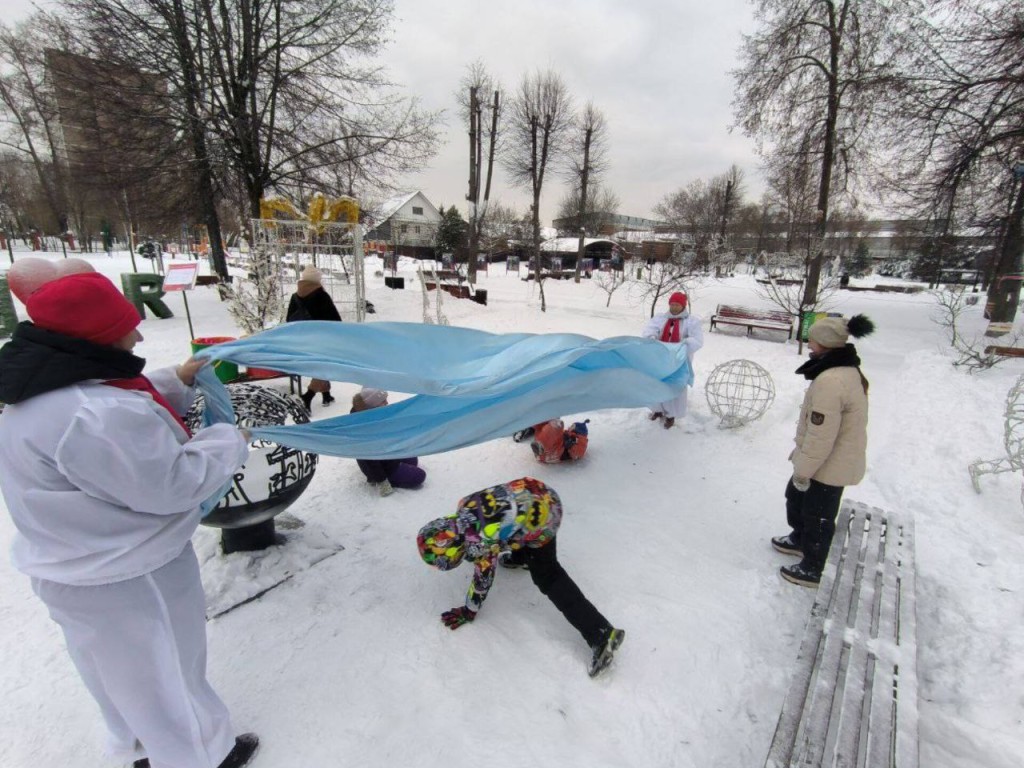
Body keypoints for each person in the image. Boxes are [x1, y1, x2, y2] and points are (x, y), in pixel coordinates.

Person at [0, 270, 259, 768]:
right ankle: (202, 757)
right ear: (95, 336)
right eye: (126, 327)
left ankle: (138, 747)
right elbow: (171, 482)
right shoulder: (94, 417)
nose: (138, 336)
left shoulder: (39, 391)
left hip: (72, 567)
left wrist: (176, 380)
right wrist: (229, 441)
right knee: (169, 672)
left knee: (120, 678)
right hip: (132, 572)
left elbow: (119, 406)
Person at [416, 477, 625, 677]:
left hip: (546, 514)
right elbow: (502, 517)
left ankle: (601, 633)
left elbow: (483, 579)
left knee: (548, 577)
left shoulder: (481, 540)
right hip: (534, 491)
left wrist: (469, 611)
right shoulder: (463, 509)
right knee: (509, 533)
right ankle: (522, 556)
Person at [772, 314, 875, 587]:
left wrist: (804, 470)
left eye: (813, 341)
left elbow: (821, 435)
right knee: (795, 498)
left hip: (829, 464)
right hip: (824, 459)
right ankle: (799, 538)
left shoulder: (831, 380)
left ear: (825, 343)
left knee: (818, 514)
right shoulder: (842, 369)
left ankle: (814, 567)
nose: (809, 345)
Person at [641, 290, 704, 428]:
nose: (674, 307)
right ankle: (657, 410)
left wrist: (682, 345)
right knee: (657, 383)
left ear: (683, 306)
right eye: (672, 304)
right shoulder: (660, 318)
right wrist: (651, 338)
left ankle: (671, 414)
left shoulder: (691, 321)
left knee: (675, 385)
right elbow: (649, 331)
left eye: (677, 304)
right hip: (659, 358)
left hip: (679, 361)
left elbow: (697, 340)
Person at [350, 387, 426, 496]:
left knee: (413, 460)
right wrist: (381, 481)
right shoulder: (362, 428)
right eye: (383, 401)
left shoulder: (372, 413)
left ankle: (394, 467)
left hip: (387, 455)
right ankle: (383, 478)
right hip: (381, 466)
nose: (387, 403)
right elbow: (368, 459)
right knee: (420, 476)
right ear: (373, 405)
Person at [286, 265, 342, 410]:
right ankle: (308, 395)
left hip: (304, 340)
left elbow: (289, 320)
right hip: (322, 339)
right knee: (323, 367)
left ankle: (326, 395)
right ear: (317, 279)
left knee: (321, 365)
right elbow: (335, 320)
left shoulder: (295, 297)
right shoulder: (321, 296)